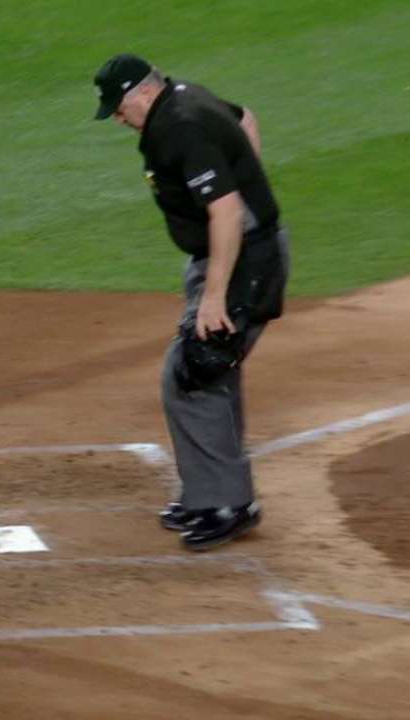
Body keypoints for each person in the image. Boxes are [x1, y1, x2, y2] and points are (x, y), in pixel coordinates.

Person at [92, 53, 289, 550]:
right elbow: (245, 119)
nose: (117, 117)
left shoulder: (178, 127)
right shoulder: (186, 98)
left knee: (194, 373)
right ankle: (210, 492)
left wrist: (215, 295)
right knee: (209, 372)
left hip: (243, 265)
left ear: (142, 92)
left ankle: (226, 504)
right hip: (238, 255)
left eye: (119, 106)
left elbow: (223, 213)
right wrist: (248, 177)